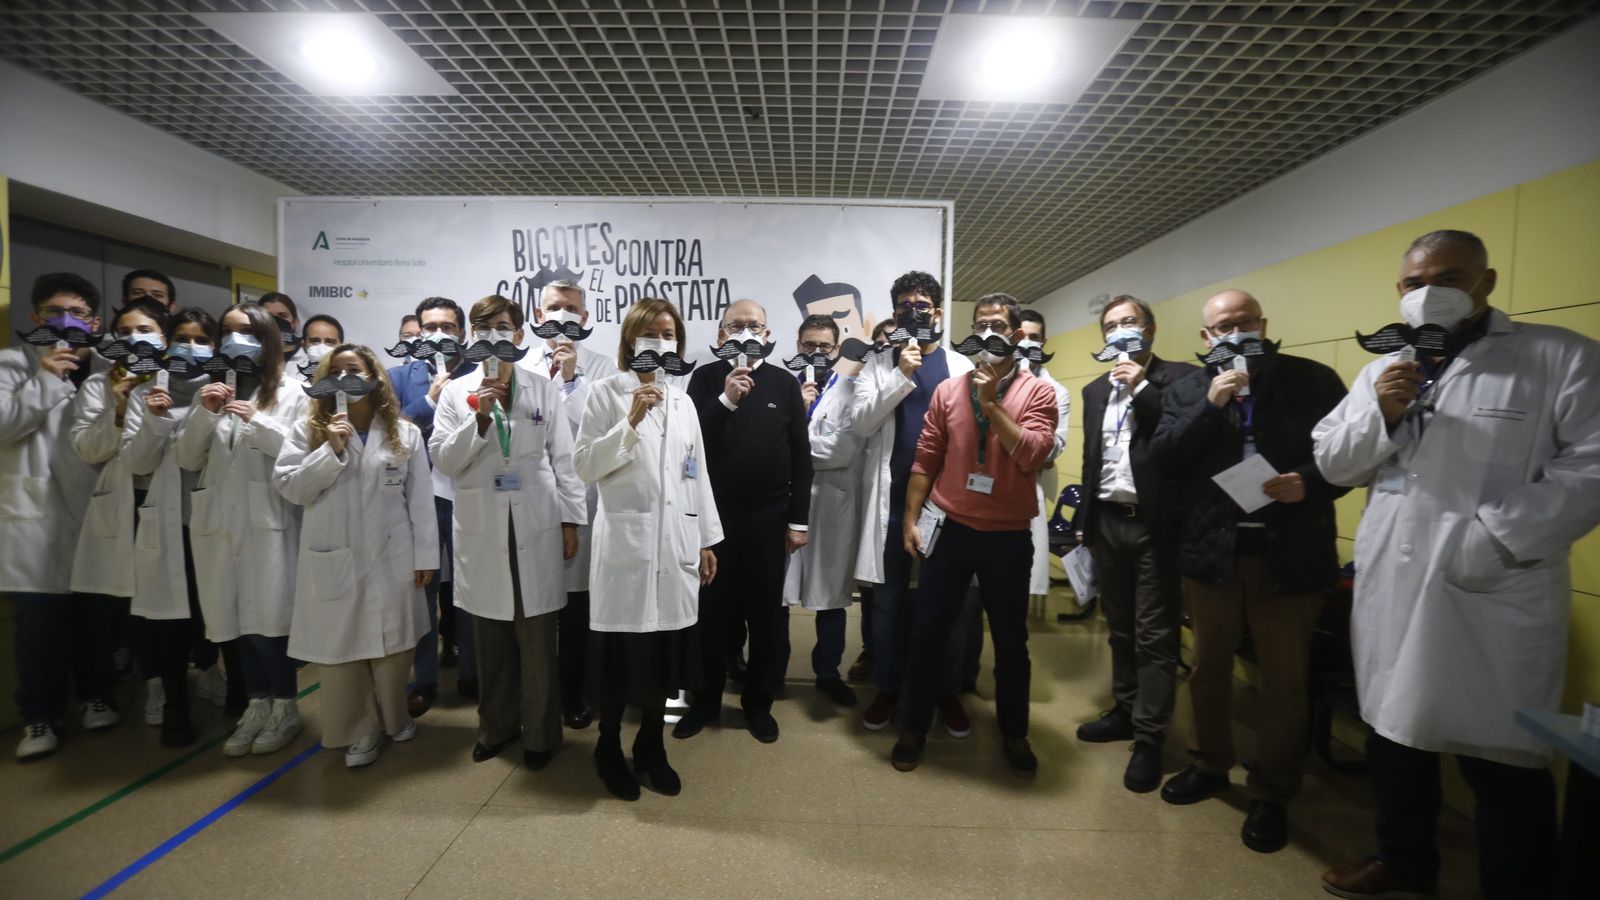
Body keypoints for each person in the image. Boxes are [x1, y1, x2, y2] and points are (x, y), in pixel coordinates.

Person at [1313, 230, 1600, 900]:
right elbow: (1333, 461)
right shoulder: (1384, 368)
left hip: (1495, 582)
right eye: (1415, 283)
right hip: (1393, 581)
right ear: (1399, 291)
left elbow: (1591, 467)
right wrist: (1381, 415)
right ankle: (1403, 859)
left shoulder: (1559, 356)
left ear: (1485, 282)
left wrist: (1494, 538)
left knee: (1499, 758)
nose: (1428, 293)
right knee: (1393, 735)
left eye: (1448, 278)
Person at [1148, 289, 1348, 853]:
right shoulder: (1190, 388)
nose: (1235, 333)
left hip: (1289, 552)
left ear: (1262, 323)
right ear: (1206, 336)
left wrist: (1310, 482)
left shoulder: (1313, 380)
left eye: (1245, 322)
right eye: (1222, 327)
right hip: (1213, 552)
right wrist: (1210, 405)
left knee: (1284, 680)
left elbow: (1352, 456)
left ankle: (1272, 791)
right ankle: (1210, 763)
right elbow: (1165, 459)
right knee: (1207, 668)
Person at [888, 293, 1058, 777]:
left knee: (1010, 641)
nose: (987, 332)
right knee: (928, 632)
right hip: (951, 528)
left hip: (1007, 536)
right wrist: (911, 518)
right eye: (980, 323)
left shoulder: (1038, 392)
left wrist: (992, 404)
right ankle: (913, 727)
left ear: (1016, 334)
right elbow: (926, 457)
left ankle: (1015, 732)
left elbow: (1034, 454)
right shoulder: (947, 390)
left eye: (998, 325)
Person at [573, 297, 721, 800]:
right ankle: (608, 746)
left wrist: (705, 538)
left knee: (663, 656)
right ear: (630, 341)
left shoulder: (684, 402)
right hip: (626, 548)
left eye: (669, 335)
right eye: (651, 334)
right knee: (622, 659)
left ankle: (651, 746)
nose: (661, 343)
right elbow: (585, 466)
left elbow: (696, 473)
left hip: (676, 544)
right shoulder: (604, 394)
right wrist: (631, 421)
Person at [431, 295, 586, 771]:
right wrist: (479, 420)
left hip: (536, 522)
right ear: (472, 336)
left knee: (537, 638)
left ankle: (540, 736)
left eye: (503, 326)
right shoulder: (457, 392)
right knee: (492, 638)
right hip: (482, 525)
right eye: (484, 327)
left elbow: (564, 460)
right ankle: (495, 729)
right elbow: (444, 460)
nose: (494, 335)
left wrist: (570, 520)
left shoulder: (543, 388)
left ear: (520, 335)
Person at [276, 344, 439, 768]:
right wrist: (330, 451)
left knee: (394, 645)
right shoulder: (307, 430)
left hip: (392, 552)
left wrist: (425, 557)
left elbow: (421, 501)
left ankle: (395, 716)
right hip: (335, 553)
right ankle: (359, 729)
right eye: (336, 370)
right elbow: (292, 488)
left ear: (374, 376)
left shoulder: (404, 433)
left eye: (355, 368)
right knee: (342, 646)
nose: (345, 377)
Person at [1071, 295, 1197, 793]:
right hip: (1107, 520)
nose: (1119, 331)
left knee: (1154, 636)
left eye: (1129, 322)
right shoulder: (1095, 390)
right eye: (1110, 325)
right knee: (1119, 628)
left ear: (1150, 329)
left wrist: (1140, 385)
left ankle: (1149, 737)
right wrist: (1084, 522)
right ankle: (1124, 710)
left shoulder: (1182, 380)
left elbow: (1181, 437)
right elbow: (1092, 459)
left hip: (1155, 525)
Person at [176, 301, 309, 758]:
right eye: (228, 331)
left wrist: (258, 421)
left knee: (268, 622)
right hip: (219, 522)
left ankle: (286, 706)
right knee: (233, 620)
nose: (236, 341)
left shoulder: (293, 392)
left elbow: (301, 453)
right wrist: (206, 413)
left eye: (248, 332)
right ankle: (257, 704)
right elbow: (187, 458)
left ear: (269, 339)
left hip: (270, 521)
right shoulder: (210, 391)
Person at [679, 299, 813, 744]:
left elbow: (801, 458)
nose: (745, 333)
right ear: (721, 335)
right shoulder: (704, 379)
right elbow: (690, 443)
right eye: (735, 325)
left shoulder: (784, 382)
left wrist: (798, 521)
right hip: (714, 519)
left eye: (754, 326)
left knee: (766, 616)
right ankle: (704, 701)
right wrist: (726, 400)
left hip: (769, 518)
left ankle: (758, 703)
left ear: (768, 335)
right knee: (711, 615)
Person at [851, 271, 974, 734]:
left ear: (937, 312)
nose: (913, 312)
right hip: (890, 502)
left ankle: (946, 691)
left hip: (946, 505)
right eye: (905, 306)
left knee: (947, 603)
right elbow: (862, 423)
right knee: (888, 602)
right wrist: (901, 373)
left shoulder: (959, 366)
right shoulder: (879, 364)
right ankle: (887, 687)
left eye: (921, 305)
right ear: (894, 312)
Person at [4, 273, 117, 760]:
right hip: (35, 517)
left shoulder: (108, 372)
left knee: (96, 620)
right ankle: (39, 716)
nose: (65, 321)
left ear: (94, 322)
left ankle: (97, 695)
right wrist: (47, 378)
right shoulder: (11, 366)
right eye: (53, 312)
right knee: (39, 626)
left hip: (94, 510)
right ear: (35, 317)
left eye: (77, 313)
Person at [122, 307, 225, 748]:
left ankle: (214, 675)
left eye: (201, 339)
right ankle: (174, 704)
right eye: (182, 338)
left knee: (211, 610)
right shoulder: (145, 393)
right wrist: (154, 420)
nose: (191, 347)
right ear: (166, 343)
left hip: (214, 518)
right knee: (168, 620)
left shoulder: (225, 387)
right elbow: (137, 463)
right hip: (168, 520)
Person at [68, 299, 166, 735]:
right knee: (126, 604)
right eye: (124, 332)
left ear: (163, 337)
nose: (134, 338)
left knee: (169, 600)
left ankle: (185, 675)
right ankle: (146, 683)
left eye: (144, 330)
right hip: (124, 503)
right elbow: (89, 449)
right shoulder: (99, 385)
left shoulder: (178, 376)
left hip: (170, 501)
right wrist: (120, 408)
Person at [521, 279, 615, 729]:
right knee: (534, 605)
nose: (563, 316)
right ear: (538, 316)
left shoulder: (604, 368)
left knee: (577, 607)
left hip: (584, 501)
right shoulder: (518, 366)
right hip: (531, 501)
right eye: (554, 307)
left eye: (572, 309)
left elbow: (594, 434)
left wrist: (573, 379)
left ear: (586, 318)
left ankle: (574, 692)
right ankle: (535, 695)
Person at [388, 296, 477, 714]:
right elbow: (387, 432)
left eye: (448, 327)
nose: (439, 335)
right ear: (418, 331)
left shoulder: (480, 373)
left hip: (465, 494)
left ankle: (473, 673)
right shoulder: (397, 376)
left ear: (463, 333)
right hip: (414, 499)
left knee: (469, 588)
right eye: (430, 327)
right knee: (421, 588)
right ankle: (423, 678)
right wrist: (429, 402)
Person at [779, 313, 866, 708]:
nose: (816, 352)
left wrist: (791, 443)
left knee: (830, 597)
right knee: (778, 597)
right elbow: (765, 442)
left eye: (824, 346)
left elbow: (842, 450)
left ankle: (828, 674)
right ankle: (773, 671)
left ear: (836, 350)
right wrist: (796, 416)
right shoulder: (782, 387)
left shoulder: (851, 390)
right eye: (809, 345)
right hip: (785, 506)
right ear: (798, 346)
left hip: (830, 504)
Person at [846, 317, 898, 685]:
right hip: (871, 487)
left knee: (909, 587)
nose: (887, 347)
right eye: (880, 342)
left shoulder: (932, 371)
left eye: (892, 340)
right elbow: (862, 422)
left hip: (912, 489)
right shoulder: (870, 374)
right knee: (871, 583)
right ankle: (872, 651)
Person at [1015, 309, 1071, 604]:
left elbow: (1052, 448)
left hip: (1026, 485)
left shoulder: (1056, 392)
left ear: (1044, 341)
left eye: (1034, 337)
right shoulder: (994, 380)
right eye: (1021, 336)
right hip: (985, 489)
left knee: (1016, 584)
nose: (1027, 343)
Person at [261, 292, 307, 373]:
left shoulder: (307, 352)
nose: (276, 321)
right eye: (268, 316)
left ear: (295, 323)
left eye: (283, 316)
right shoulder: (251, 352)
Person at [293, 314, 344, 381]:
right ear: (304, 345)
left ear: (341, 347)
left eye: (330, 342)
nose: (321, 348)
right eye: (315, 341)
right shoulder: (292, 379)